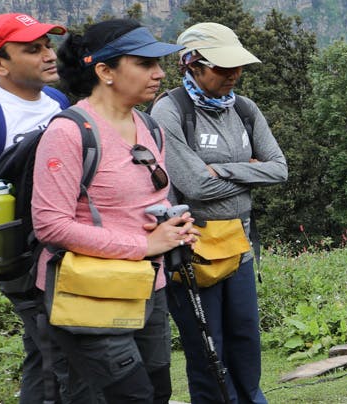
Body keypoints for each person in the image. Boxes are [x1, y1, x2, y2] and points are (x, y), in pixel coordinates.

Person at [37, 19, 196, 403]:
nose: (159, 74)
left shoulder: (148, 125)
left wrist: (172, 225)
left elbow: (144, 201)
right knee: (128, 396)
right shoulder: (69, 132)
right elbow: (50, 225)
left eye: (158, 63)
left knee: (158, 391)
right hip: (89, 293)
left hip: (147, 288)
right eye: (144, 64)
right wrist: (143, 245)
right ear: (105, 71)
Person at [150, 22, 286, 404]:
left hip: (240, 243)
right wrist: (250, 173)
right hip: (194, 248)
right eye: (222, 68)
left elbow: (279, 168)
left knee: (245, 339)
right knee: (208, 347)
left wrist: (222, 170)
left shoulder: (244, 109)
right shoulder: (169, 111)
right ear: (193, 65)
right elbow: (195, 187)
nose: (234, 75)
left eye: (237, 66)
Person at [0, 12, 68, 404]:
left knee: (42, 346)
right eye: (33, 49)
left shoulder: (59, 102)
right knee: (57, 345)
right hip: (11, 252)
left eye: (48, 45)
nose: (49, 55)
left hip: (55, 245)